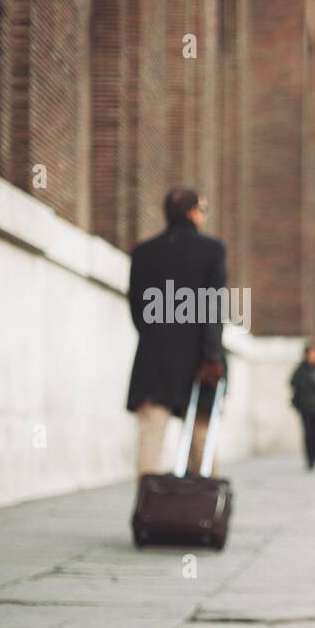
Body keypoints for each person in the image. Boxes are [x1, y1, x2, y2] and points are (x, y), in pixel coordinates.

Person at [126, 187, 227, 477]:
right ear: (192, 212)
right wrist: (211, 357)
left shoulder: (144, 253)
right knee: (202, 444)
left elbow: (137, 310)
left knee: (150, 442)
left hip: (153, 362)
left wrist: (157, 336)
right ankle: (204, 513)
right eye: (203, 209)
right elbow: (211, 309)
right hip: (198, 362)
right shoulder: (212, 251)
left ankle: (149, 510)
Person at [290, 344, 315, 470]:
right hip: (304, 407)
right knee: (307, 433)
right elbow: (292, 382)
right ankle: (309, 458)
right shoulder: (301, 368)